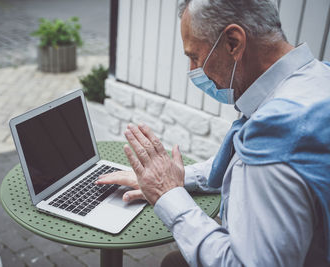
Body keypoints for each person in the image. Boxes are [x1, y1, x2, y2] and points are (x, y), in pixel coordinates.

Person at [97, 0, 330, 266]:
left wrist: (167, 195)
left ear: (233, 42)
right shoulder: (318, 77)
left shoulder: (277, 135)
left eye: (195, 57)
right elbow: (236, 162)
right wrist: (180, 177)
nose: (193, 71)